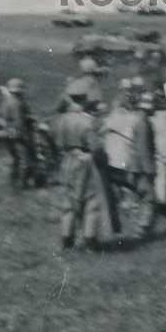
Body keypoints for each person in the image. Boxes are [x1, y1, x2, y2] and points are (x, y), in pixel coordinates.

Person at [53, 81, 106, 250]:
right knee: (91, 201)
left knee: (69, 202)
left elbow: (58, 142)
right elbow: (95, 147)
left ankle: (66, 241)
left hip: (67, 159)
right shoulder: (88, 121)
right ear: (84, 99)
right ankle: (91, 242)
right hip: (84, 162)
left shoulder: (62, 119)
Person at [126, 92, 163, 240]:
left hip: (136, 168)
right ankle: (140, 232)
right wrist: (150, 171)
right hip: (142, 169)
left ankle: (141, 231)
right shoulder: (143, 125)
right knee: (150, 200)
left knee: (142, 200)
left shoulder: (140, 122)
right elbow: (143, 150)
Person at [0, 77, 35, 189]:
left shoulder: (6, 101)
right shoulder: (17, 103)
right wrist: (23, 136)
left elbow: (1, 117)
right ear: (20, 91)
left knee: (16, 159)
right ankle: (23, 185)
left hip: (8, 133)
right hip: (18, 135)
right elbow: (18, 121)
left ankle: (13, 181)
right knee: (24, 160)